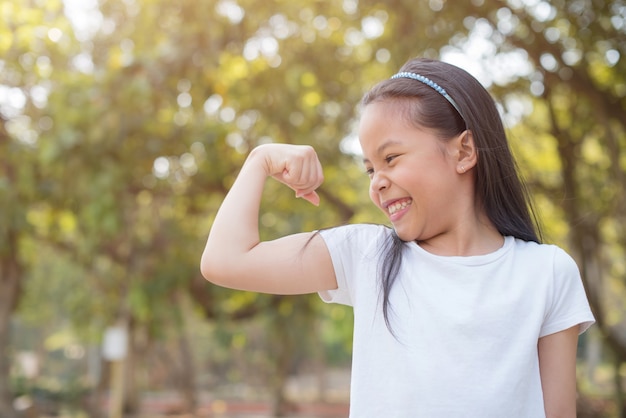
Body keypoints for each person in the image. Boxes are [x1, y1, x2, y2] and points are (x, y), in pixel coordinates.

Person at [201, 57, 594, 417]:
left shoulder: (547, 271)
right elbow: (225, 261)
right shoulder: (366, 257)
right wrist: (260, 160)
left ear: (464, 151)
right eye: (370, 169)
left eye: (390, 159)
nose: (377, 184)